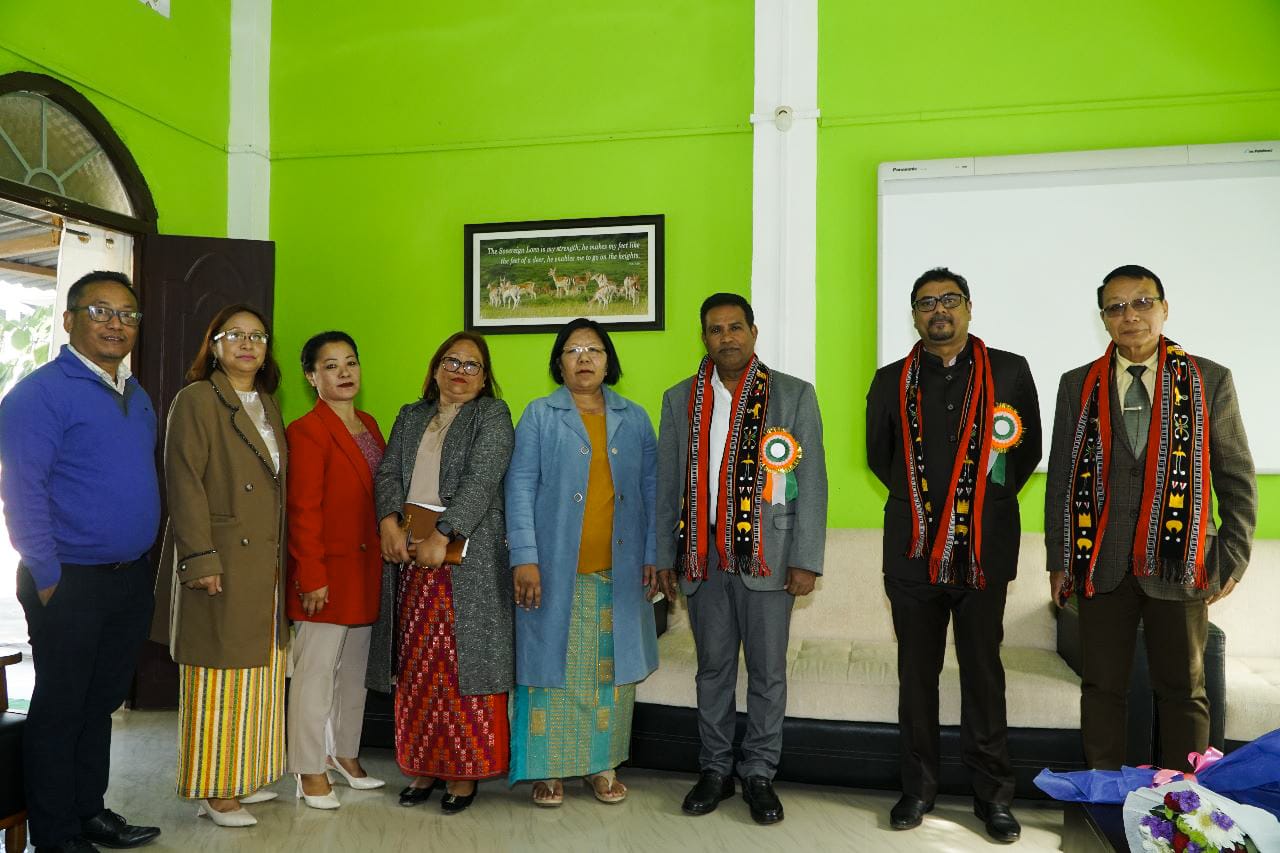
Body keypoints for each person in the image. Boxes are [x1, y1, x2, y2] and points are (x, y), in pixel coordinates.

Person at [1045, 264, 1256, 772]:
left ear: (1164, 309)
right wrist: (1059, 560)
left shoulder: (1209, 379)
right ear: (1103, 318)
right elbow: (1061, 481)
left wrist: (1231, 557)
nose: (1130, 316)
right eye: (1116, 307)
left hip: (1181, 563)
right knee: (1101, 689)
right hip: (1100, 562)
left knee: (1184, 691)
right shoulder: (1078, 384)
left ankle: (1183, 800)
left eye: (1142, 302)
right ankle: (1104, 797)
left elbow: (1236, 476)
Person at [865, 267, 1041, 843]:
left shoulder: (1010, 371)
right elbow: (879, 456)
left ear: (968, 307)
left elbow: (1026, 452)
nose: (938, 310)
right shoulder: (890, 379)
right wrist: (927, 508)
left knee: (983, 675)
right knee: (916, 676)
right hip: (912, 554)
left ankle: (994, 797)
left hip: (985, 551)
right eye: (925, 302)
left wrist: (977, 508)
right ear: (914, 315)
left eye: (949, 300)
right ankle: (917, 790)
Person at [0, 271, 161, 853]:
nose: (116, 324)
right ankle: (56, 834)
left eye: (127, 314)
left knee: (100, 705)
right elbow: (22, 492)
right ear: (69, 320)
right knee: (62, 709)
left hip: (127, 579)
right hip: (68, 581)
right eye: (100, 311)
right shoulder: (38, 395)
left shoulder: (136, 394)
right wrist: (47, 577)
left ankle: (89, 812)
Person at [655, 292, 827, 825]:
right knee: (712, 670)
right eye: (715, 329)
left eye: (735, 327)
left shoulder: (793, 395)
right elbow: (667, 486)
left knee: (768, 674)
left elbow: (813, 483)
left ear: (753, 333)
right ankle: (714, 770)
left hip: (769, 561)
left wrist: (805, 559)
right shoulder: (679, 399)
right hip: (702, 559)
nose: (726, 337)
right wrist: (663, 556)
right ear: (704, 338)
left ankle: (759, 774)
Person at [506, 318, 660, 806]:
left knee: (608, 676)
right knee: (550, 672)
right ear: (559, 363)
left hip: (619, 573)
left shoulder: (635, 418)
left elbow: (653, 492)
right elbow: (519, 487)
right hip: (553, 570)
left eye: (594, 349)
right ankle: (548, 770)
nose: (584, 358)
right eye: (573, 351)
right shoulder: (539, 415)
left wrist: (655, 555)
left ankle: (601, 765)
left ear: (609, 362)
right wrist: (524, 558)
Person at [366, 331, 515, 814]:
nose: (460, 372)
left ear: (485, 378)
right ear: (435, 369)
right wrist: (388, 522)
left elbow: (482, 478)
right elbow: (388, 473)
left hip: (466, 562)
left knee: (460, 668)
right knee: (417, 670)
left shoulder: (492, 415)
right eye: (451, 361)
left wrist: (444, 533)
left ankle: (463, 774)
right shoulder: (411, 415)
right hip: (410, 561)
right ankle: (423, 766)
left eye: (472, 365)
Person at [151, 304, 288, 828]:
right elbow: (184, 481)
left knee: (258, 675)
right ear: (214, 345)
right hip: (221, 559)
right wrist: (199, 558)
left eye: (258, 336)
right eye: (235, 335)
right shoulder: (196, 399)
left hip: (265, 561)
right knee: (217, 677)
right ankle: (213, 788)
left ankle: (243, 775)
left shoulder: (267, 404)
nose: (248, 344)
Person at [285, 331, 387, 809]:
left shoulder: (369, 424)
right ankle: (308, 769)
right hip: (325, 575)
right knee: (315, 675)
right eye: (330, 366)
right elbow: (303, 510)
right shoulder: (306, 430)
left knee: (353, 674)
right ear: (311, 377)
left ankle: (343, 754)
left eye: (351, 362)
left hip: (366, 571)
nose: (344, 373)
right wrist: (312, 576)